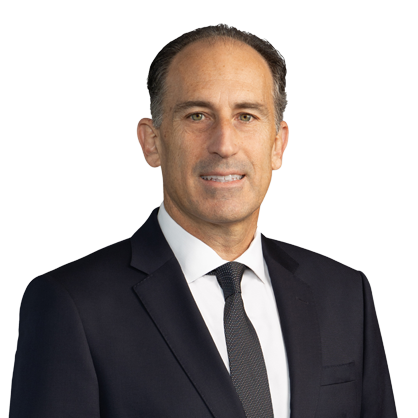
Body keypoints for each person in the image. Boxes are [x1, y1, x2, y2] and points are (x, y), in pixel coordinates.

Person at [9, 24, 397, 418]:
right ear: (152, 141)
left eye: (246, 116)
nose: (224, 144)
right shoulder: (72, 305)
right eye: (197, 116)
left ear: (277, 144)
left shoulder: (345, 295)